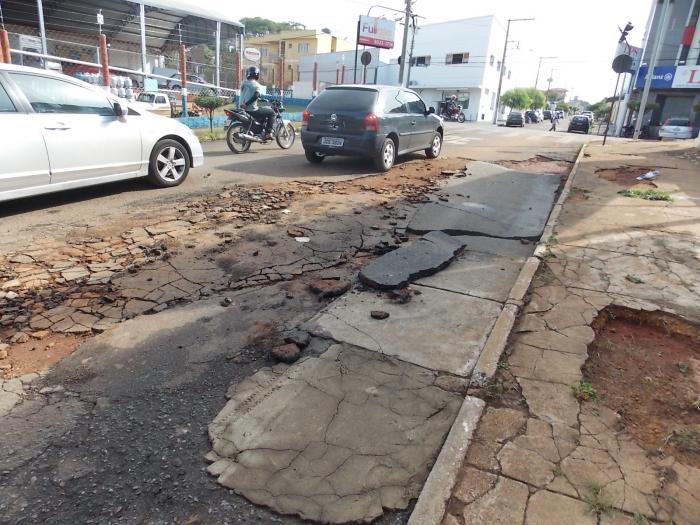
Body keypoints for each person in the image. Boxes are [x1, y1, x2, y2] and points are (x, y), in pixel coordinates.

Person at [239, 66, 274, 140]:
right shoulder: (256, 85)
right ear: (257, 74)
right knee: (271, 112)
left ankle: (258, 130)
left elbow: (248, 94)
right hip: (251, 110)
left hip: (241, 109)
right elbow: (256, 95)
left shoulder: (243, 83)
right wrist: (247, 104)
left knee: (262, 111)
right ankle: (268, 133)